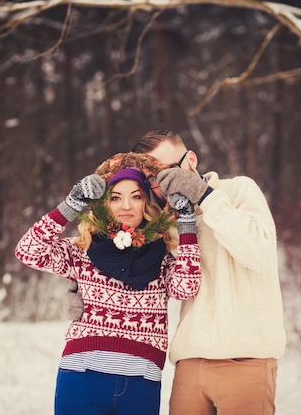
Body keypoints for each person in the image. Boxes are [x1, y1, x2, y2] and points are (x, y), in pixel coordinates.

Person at [15, 152, 201, 415]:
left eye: (136, 196)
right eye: (116, 197)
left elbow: (187, 286)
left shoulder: (161, 260)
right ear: (104, 204)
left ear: (146, 203)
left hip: (141, 382)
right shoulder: (82, 251)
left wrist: (186, 221)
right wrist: (70, 205)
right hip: (82, 376)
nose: (126, 206)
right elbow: (27, 251)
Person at [131, 130, 286, 415]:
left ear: (191, 159)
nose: (164, 184)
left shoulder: (238, 190)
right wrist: (80, 285)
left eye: (168, 172)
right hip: (190, 362)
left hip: (245, 359)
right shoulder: (165, 223)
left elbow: (259, 252)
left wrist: (204, 196)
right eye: (153, 179)